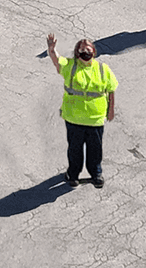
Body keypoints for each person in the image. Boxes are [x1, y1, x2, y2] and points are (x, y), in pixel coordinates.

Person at [45, 33, 117, 189]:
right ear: (77, 53)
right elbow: (57, 61)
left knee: (95, 150)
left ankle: (96, 174)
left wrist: (111, 110)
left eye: (88, 47)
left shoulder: (102, 69)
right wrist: (52, 50)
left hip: (95, 118)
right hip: (74, 119)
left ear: (93, 52)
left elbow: (111, 89)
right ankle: (73, 174)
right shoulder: (70, 66)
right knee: (75, 149)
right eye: (82, 48)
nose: (85, 50)